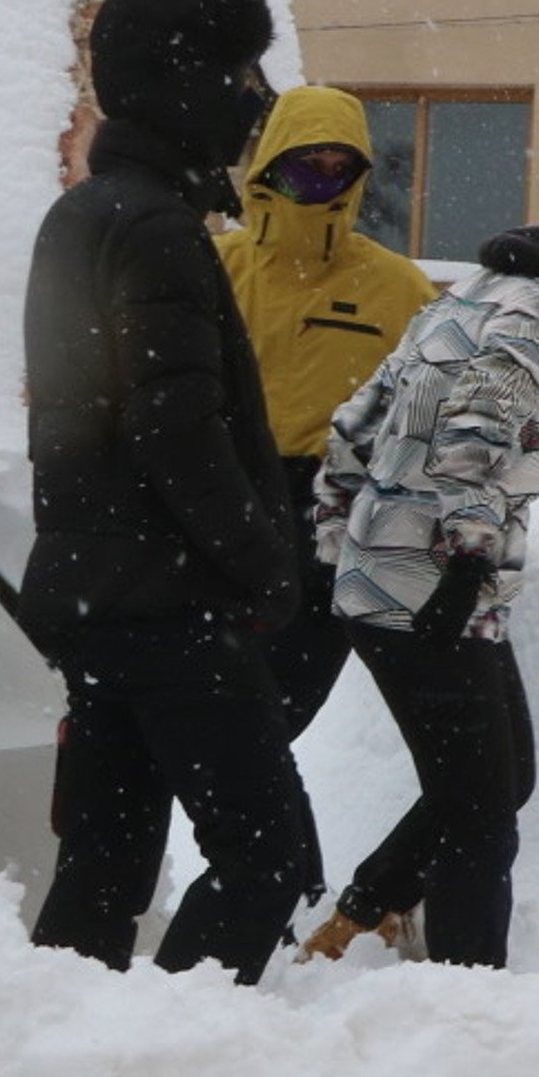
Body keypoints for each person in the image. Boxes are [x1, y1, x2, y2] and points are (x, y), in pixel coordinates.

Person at [22, 0, 327, 981]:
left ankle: (63, 1049)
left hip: (99, 594)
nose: (253, 99)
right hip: (168, 602)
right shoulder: (151, 227)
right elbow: (173, 429)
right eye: (238, 73)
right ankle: (168, 1050)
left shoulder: (86, 214)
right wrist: (262, 561)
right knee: (267, 853)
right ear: (185, 82)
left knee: (106, 860)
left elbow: (88, 426)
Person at [297, 191, 539, 970]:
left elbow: (358, 419)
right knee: (480, 818)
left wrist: (337, 542)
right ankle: (469, 997)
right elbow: (479, 430)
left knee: (503, 779)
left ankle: (367, 913)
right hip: (432, 587)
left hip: (392, 581)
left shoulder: (466, 296)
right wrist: (464, 559)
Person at [215, 86, 438, 737]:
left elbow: (432, 404)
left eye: (342, 165)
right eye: (308, 159)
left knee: (279, 716)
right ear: (271, 160)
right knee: (203, 717)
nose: (324, 177)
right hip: (223, 504)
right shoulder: (217, 266)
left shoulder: (397, 287)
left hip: (329, 513)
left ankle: (260, 832)